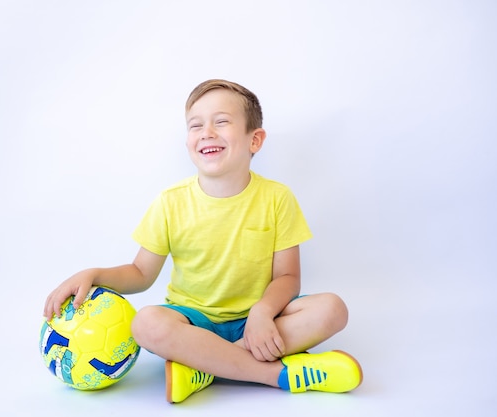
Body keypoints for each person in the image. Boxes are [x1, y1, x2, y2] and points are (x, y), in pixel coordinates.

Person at [43, 79, 363, 403]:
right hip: (193, 324)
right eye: (196, 125)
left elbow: (288, 277)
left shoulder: (277, 198)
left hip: (258, 322)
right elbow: (141, 273)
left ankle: (203, 368)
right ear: (188, 144)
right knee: (147, 324)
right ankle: (274, 374)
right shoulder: (170, 202)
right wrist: (93, 274)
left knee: (332, 309)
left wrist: (263, 313)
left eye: (221, 121)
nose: (207, 132)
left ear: (255, 140)